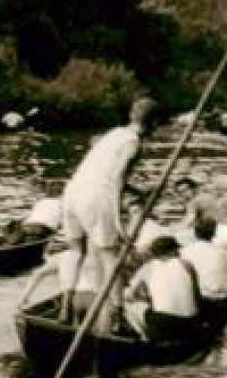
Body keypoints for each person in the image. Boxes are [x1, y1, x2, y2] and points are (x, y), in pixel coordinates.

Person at [57, 97, 157, 325]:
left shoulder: (114, 134)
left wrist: (136, 191)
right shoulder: (134, 143)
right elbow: (117, 176)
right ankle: (119, 317)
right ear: (155, 123)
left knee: (75, 252)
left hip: (72, 191)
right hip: (96, 196)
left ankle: (66, 308)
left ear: (132, 114)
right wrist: (117, 218)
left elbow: (102, 171)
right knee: (110, 255)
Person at [123, 234, 201, 341]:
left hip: (163, 322)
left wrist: (143, 296)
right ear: (172, 251)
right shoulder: (187, 264)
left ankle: (144, 337)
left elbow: (127, 295)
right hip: (190, 320)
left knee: (127, 306)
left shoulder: (147, 267)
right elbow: (196, 294)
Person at [181, 216, 227, 300]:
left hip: (195, 298)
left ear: (195, 234)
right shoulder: (222, 253)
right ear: (214, 234)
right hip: (220, 298)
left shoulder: (184, 252)